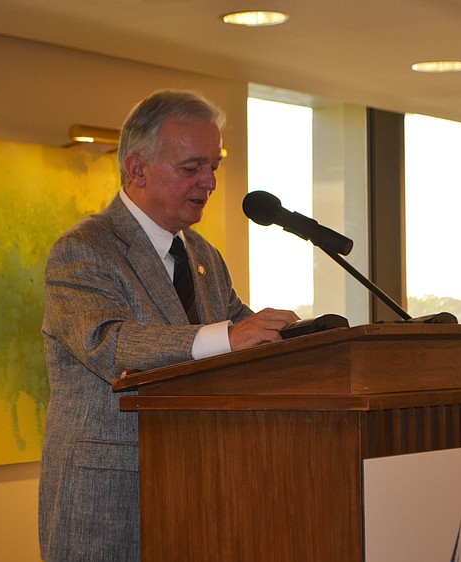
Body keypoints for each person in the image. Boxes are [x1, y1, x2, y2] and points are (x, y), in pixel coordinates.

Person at [37, 89, 299, 561]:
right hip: (110, 501)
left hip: (198, 494)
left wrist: (307, 338)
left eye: (214, 166)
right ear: (138, 169)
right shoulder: (84, 250)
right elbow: (108, 345)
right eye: (191, 167)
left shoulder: (203, 256)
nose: (210, 181)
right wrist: (232, 337)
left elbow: (242, 331)